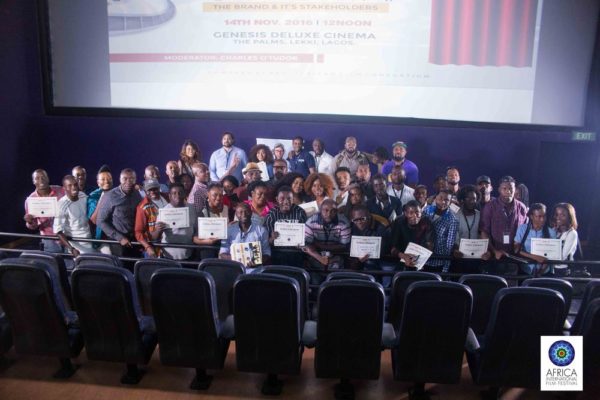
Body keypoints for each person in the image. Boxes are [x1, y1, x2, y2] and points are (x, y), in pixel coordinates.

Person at [479, 176, 528, 272]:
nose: (508, 191)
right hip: (495, 256)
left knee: (513, 285)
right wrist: (493, 251)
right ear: (499, 190)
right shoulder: (490, 207)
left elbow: (525, 232)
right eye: (504, 188)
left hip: (515, 257)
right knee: (496, 284)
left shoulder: (522, 207)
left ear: (515, 190)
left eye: (511, 188)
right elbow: (484, 232)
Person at [303, 199, 351, 283]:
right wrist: (320, 258)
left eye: (333, 211)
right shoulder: (311, 221)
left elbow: (344, 246)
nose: (329, 214)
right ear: (320, 210)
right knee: (315, 282)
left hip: (336, 258)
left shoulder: (343, 222)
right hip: (315, 258)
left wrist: (320, 246)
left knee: (334, 283)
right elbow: (306, 244)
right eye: (326, 210)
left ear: (337, 211)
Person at [97, 168, 142, 256]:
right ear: (120, 180)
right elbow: (100, 220)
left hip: (135, 239)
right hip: (118, 241)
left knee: (136, 267)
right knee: (121, 268)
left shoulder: (137, 194)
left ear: (135, 180)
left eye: (131, 179)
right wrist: (119, 238)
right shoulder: (111, 196)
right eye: (125, 179)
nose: (128, 182)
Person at [157, 182, 202, 261]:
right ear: (169, 196)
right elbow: (154, 237)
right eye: (174, 193)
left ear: (184, 194)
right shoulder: (163, 212)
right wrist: (158, 230)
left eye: (180, 193)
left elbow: (197, 230)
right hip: (168, 256)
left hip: (189, 254)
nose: (177, 195)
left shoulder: (193, 209)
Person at [264, 185, 308, 266]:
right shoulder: (271, 215)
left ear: (293, 199)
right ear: (277, 199)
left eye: (289, 199)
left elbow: (307, 236)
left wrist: (302, 241)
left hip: (296, 252)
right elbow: (266, 242)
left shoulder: (300, 212)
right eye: (282, 198)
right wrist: (272, 238)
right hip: (277, 253)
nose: (286, 202)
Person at [24, 169, 64, 253]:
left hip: (68, 234)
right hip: (49, 238)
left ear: (48, 178)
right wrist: (30, 222)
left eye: (43, 177)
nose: (41, 180)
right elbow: (34, 226)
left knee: (71, 263)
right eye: (37, 178)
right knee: (54, 263)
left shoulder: (61, 191)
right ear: (33, 181)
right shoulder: (31, 200)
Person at [220, 202, 271, 268]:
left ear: (251, 213)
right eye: (240, 212)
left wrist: (257, 261)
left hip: (254, 271)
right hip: (234, 269)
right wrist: (237, 259)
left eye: (246, 211)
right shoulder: (229, 230)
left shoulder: (261, 231)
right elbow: (222, 254)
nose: (244, 214)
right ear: (236, 214)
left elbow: (267, 253)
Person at [53, 175, 95, 256]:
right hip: (77, 245)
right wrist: (71, 249)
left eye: (75, 184)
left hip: (90, 239)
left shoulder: (82, 195)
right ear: (64, 188)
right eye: (70, 185)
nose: (74, 187)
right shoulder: (61, 205)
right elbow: (58, 231)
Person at [452, 185, 489, 273]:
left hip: (477, 258)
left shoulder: (480, 215)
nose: (472, 201)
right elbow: (454, 236)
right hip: (459, 257)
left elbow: (483, 234)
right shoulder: (455, 215)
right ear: (462, 199)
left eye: (474, 199)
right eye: (469, 198)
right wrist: (456, 249)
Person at [514, 203, 556, 275]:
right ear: (531, 216)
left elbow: (553, 254)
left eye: (544, 216)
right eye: (539, 216)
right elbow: (516, 249)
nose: (542, 219)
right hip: (526, 269)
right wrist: (535, 257)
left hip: (545, 272)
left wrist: (541, 271)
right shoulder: (522, 229)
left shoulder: (551, 232)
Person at [422, 189, 459, 272]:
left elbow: (449, 245)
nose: (443, 202)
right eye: (440, 198)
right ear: (435, 198)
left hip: (438, 261)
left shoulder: (452, 219)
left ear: (450, 202)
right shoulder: (427, 210)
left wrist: (445, 268)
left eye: (446, 200)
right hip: (422, 257)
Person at [390, 200, 434, 268]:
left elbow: (430, 244)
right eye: (411, 213)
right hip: (401, 259)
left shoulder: (427, 222)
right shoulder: (399, 222)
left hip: (421, 259)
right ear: (405, 213)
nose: (414, 216)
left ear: (421, 212)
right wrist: (404, 256)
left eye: (417, 213)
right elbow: (393, 247)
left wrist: (419, 258)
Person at [347, 204, 389, 274]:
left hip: (380, 260)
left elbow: (385, 248)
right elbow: (350, 247)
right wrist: (358, 259)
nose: (359, 222)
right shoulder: (352, 226)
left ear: (369, 217)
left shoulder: (381, 227)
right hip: (360, 261)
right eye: (356, 220)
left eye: (362, 219)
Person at [134, 178, 169, 258]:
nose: (152, 192)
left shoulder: (168, 197)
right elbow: (138, 232)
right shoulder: (142, 207)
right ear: (145, 191)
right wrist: (147, 247)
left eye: (155, 189)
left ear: (159, 188)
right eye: (149, 190)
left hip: (171, 243)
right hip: (155, 247)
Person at [197, 182, 231, 260]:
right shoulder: (202, 211)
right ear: (208, 194)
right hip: (209, 249)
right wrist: (208, 241)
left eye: (221, 195)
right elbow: (195, 237)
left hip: (224, 247)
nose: (218, 198)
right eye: (215, 195)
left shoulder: (226, 208)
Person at [552, 203, 582, 276]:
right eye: (557, 214)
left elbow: (563, 256)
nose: (558, 217)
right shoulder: (554, 231)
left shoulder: (572, 233)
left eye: (563, 215)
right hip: (551, 269)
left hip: (563, 271)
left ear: (569, 217)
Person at [87, 165, 113, 243]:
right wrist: (102, 198)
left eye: (109, 179)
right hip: (102, 237)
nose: (106, 181)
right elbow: (94, 220)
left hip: (117, 235)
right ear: (98, 182)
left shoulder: (117, 193)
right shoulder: (93, 196)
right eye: (103, 179)